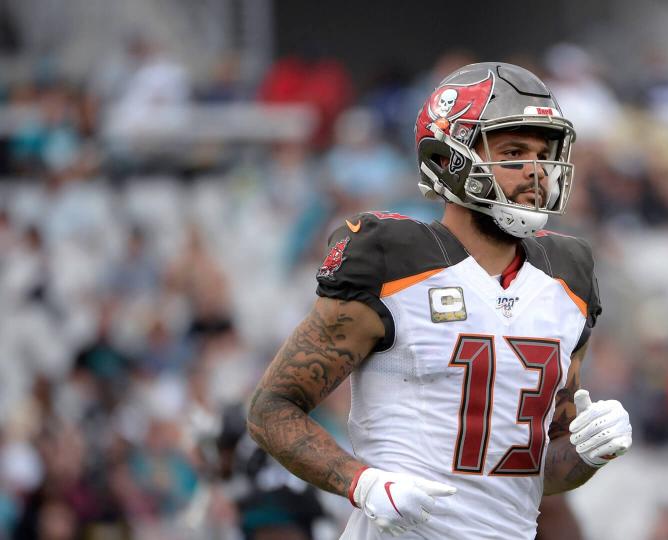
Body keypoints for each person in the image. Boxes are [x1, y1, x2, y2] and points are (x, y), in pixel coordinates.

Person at [247, 62, 633, 538]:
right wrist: (363, 484)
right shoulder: (391, 258)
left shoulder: (567, 275)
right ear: (449, 157)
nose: (535, 171)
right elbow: (271, 407)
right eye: (513, 152)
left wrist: (588, 451)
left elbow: (540, 471)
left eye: (543, 153)